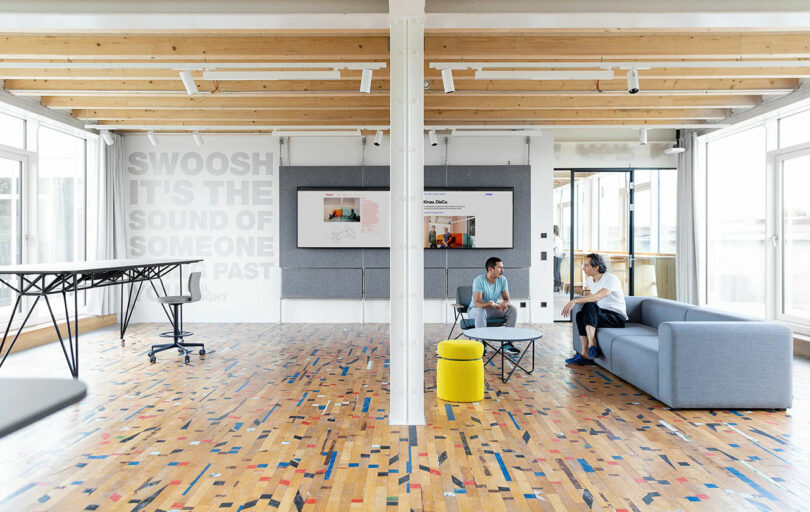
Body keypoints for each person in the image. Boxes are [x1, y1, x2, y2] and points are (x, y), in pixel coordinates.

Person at [560, 253, 627, 365]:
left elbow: (597, 297)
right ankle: (585, 353)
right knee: (581, 314)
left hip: (616, 318)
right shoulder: (590, 281)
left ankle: (592, 345)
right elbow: (593, 300)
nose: (583, 268)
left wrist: (573, 301)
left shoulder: (611, 279)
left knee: (589, 304)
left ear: (596, 267)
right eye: (584, 265)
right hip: (601, 313)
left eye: (586, 265)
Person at [469, 257, 519, 354]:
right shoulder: (478, 280)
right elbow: (477, 303)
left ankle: (507, 343)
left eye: (502, 268)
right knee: (480, 310)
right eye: (499, 268)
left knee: (512, 309)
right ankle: (481, 343)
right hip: (475, 311)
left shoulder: (503, 280)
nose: (502, 270)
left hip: (490, 310)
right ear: (490, 269)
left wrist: (505, 303)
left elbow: (507, 299)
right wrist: (489, 304)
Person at [552, 225, 563, 292]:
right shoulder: (557, 238)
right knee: (557, 272)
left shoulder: (556, 238)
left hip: (557, 256)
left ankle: (557, 288)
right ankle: (557, 287)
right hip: (557, 256)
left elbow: (552, 246)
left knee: (556, 272)